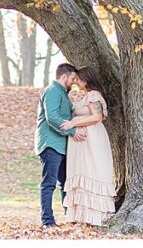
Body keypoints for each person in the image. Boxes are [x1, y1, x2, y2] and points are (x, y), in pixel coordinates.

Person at [60, 66, 115, 226]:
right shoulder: (84, 95)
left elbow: (96, 116)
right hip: (81, 140)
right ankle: (82, 215)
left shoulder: (93, 94)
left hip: (92, 138)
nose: (76, 81)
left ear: (87, 79)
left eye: (79, 78)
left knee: (92, 169)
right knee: (81, 170)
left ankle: (96, 215)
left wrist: (72, 123)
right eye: (74, 78)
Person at [35, 63, 87, 229]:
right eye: (72, 78)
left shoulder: (63, 93)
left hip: (62, 146)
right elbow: (52, 118)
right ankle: (47, 221)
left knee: (66, 183)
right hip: (51, 144)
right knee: (49, 183)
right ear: (64, 76)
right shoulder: (52, 92)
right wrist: (72, 131)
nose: (73, 82)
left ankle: (69, 216)